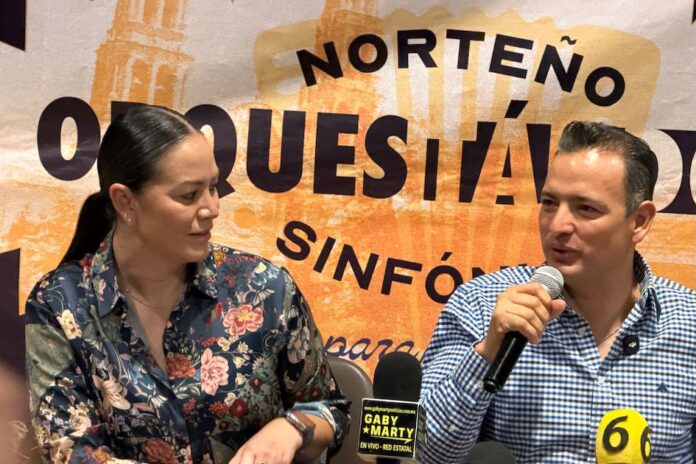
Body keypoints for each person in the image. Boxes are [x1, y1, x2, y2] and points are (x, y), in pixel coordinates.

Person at [25, 104, 349, 464]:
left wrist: (293, 427)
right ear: (125, 202)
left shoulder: (264, 287)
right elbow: (70, 450)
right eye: (188, 195)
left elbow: (331, 410)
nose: (212, 208)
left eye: (213, 187)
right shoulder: (60, 302)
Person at [419, 121, 696, 463]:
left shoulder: (688, 322)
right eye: (550, 203)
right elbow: (425, 453)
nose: (558, 225)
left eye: (586, 208)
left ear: (639, 221)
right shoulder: (480, 305)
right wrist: (487, 352)